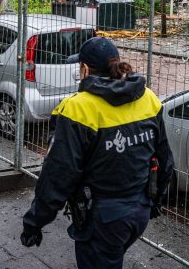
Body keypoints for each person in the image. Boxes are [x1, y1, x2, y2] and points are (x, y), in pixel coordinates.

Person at [20, 37, 175, 269]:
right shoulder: (147, 98)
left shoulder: (78, 108)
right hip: (139, 210)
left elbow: (58, 174)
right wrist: (154, 201)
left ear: (84, 69)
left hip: (102, 218)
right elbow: (165, 159)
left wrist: (35, 222)